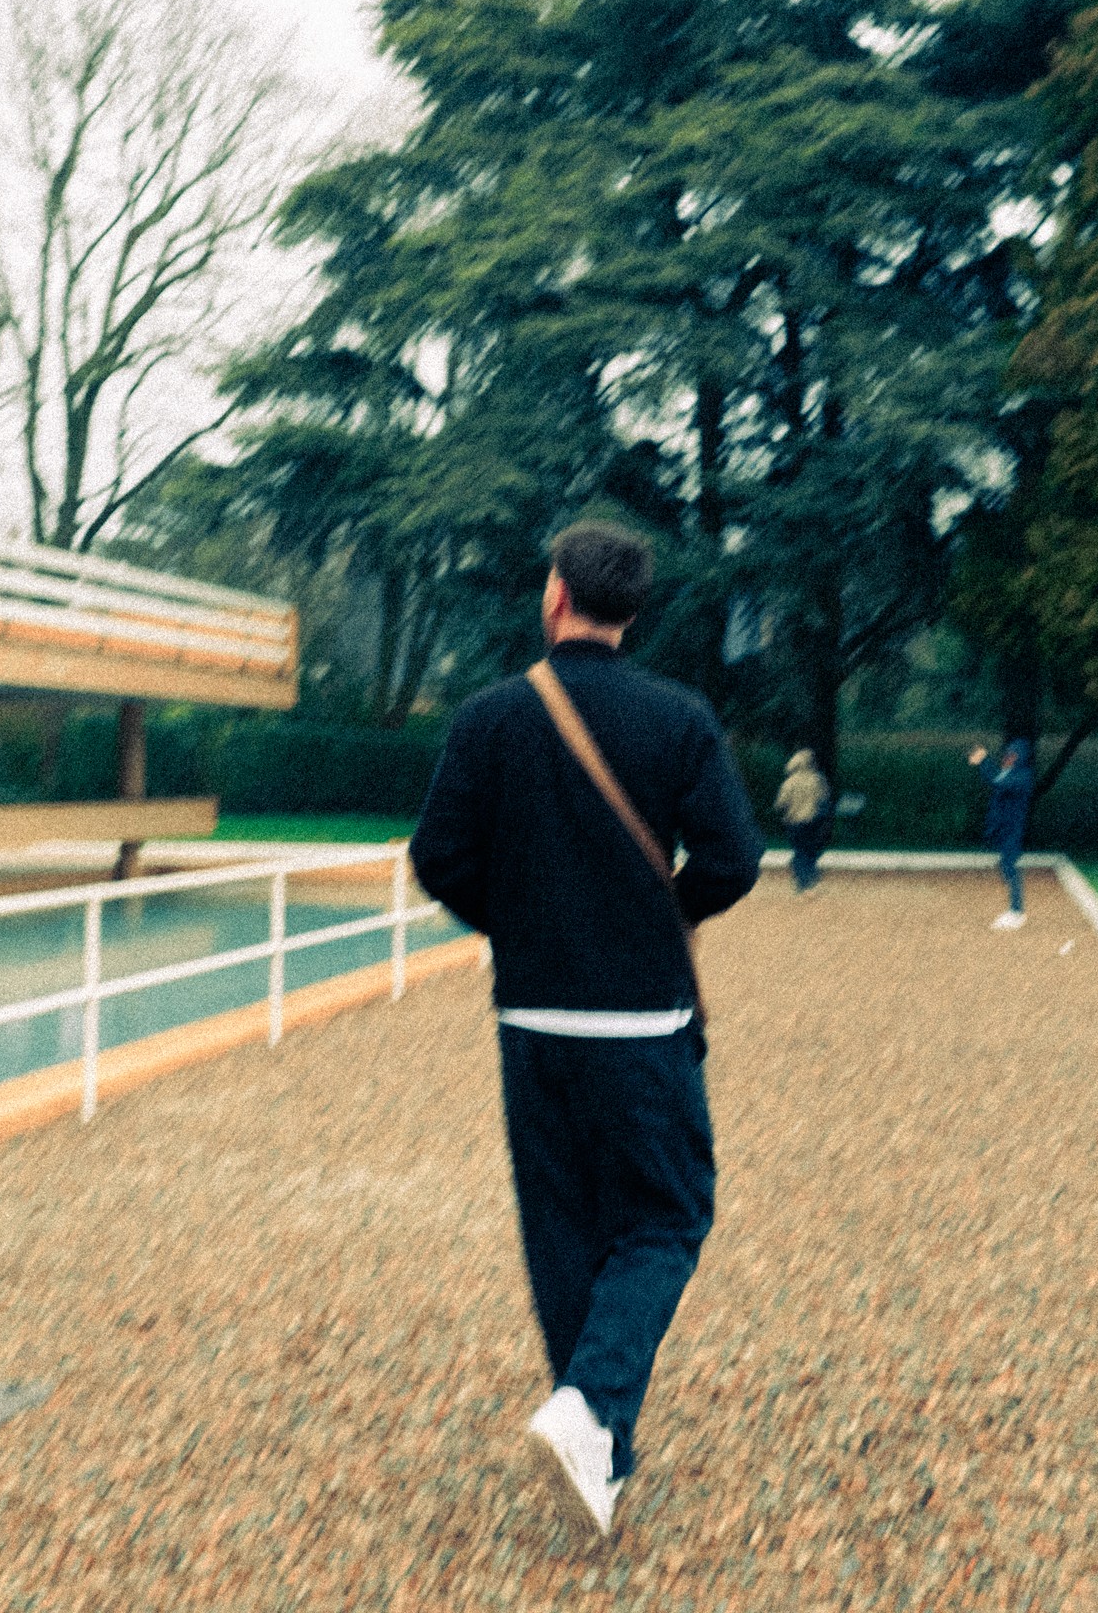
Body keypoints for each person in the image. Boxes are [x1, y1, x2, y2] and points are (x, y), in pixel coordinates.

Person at [409, 521, 761, 1542]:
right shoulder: (679, 717)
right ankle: (590, 1406)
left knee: (562, 1228)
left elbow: (439, 854)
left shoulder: (490, 717)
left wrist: (517, 923)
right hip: (644, 1017)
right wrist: (661, 914)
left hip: (531, 1016)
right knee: (664, 1218)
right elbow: (734, 860)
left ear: (556, 594)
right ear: (630, 609)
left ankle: (598, 1443)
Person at [972, 737, 1033, 928]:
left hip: (1013, 829)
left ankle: (1016, 912)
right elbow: (997, 779)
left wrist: (983, 760)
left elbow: (996, 781)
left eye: (1013, 755)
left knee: (1009, 865)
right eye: (1007, 754)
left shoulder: (1022, 776)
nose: (1008, 758)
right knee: (1006, 865)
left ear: (1020, 757)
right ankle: (1015, 910)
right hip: (1004, 828)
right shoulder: (1010, 773)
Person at [774, 748, 832, 893]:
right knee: (811, 849)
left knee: (799, 850)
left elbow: (780, 804)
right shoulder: (817, 780)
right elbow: (824, 800)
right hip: (813, 821)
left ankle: (802, 881)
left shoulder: (789, 782)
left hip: (794, 822)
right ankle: (810, 878)